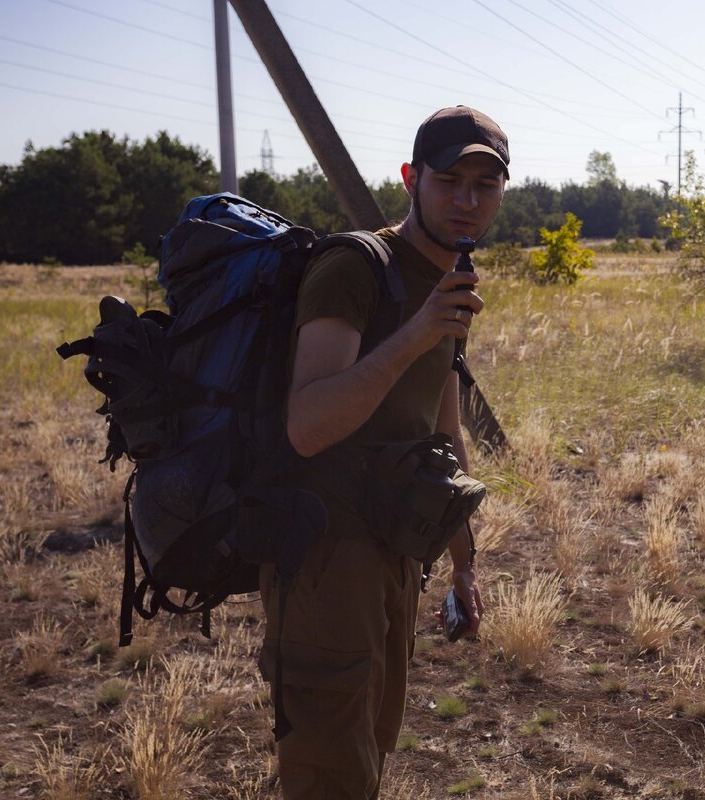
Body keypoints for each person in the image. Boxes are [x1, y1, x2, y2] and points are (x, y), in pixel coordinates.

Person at [257, 105, 510, 799]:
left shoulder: (447, 282)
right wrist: (420, 331)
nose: (467, 200)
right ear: (410, 178)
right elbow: (306, 423)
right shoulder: (355, 268)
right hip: (324, 560)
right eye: (449, 180)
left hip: (396, 556)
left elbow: (445, 434)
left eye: (484, 186)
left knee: (366, 763)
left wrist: (464, 565)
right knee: (329, 778)